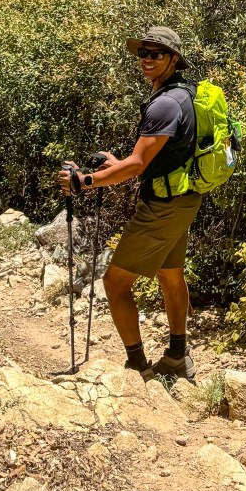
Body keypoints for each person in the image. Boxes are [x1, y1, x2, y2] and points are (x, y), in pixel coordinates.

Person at [58, 26, 202, 381]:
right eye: (143, 53)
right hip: (182, 199)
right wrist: (116, 164)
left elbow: (137, 164)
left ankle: (138, 367)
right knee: (170, 275)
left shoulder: (165, 103)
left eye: (157, 54)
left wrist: (84, 180)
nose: (148, 60)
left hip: (162, 207)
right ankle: (177, 357)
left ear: (173, 59)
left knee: (115, 283)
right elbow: (150, 158)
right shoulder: (183, 94)